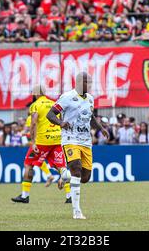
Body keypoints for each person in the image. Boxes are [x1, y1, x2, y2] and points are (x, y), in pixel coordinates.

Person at [47, 72, 109, 220]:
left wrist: (101, 128)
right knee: (76, 169)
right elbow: (50, 114)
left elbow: (91, 117)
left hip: (86, 141)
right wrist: (61, 123)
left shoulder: (90, 99)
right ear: (80, 82)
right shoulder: (67, 97)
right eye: (88, 82)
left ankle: (64, 176)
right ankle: (76, 211)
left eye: (91, 82)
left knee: (85, 177)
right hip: (70, 139)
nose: (90, 85)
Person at [11, 85, 71, 204]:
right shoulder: (54, 103)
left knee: (28, 165)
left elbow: (33, 123)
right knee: (61, 168)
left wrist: (33, 142)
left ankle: (25, 195)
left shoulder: (36, 105)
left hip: (43, 141)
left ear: (35, 94)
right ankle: (69, 196)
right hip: (57, 139)